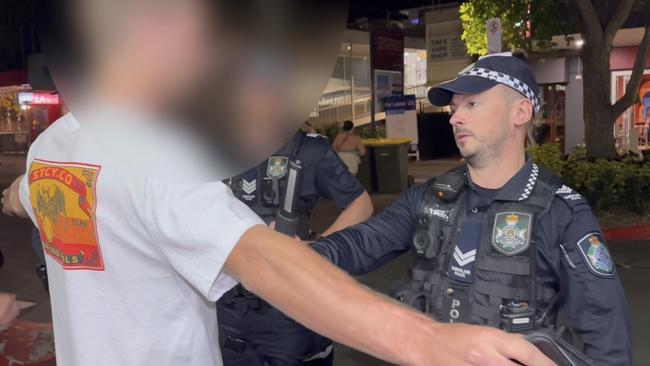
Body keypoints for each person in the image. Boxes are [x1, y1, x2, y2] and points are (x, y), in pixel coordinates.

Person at [0, 1, 553, 365]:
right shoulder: (156, 160)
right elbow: (261, 259)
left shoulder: (54, 148)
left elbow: (23, 198)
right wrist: (427, 340)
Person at [311, 55, 633, 366]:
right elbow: (361, 243)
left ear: (519, 112)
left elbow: (608, 339)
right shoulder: (431, 196)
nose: (454, 118)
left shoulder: (562, 213)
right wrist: (295, 253)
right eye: (454, 108)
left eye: (472, 104)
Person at [219, 128, 373, 366]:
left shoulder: (309, 149)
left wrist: (316, 250)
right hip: (227, 305)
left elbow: (360, 203)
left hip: (290, 307)